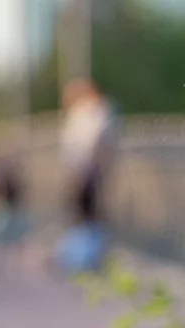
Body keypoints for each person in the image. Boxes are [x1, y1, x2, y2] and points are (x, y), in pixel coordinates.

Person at [57, 78, 117, 273]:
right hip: (82, 170)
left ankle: (88, 258)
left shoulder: (96, 112)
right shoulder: (87, 112)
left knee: (88, 214)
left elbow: (97, 141)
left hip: (87, 171)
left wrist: (90, 167)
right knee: (83, 213)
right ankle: (84, 257)